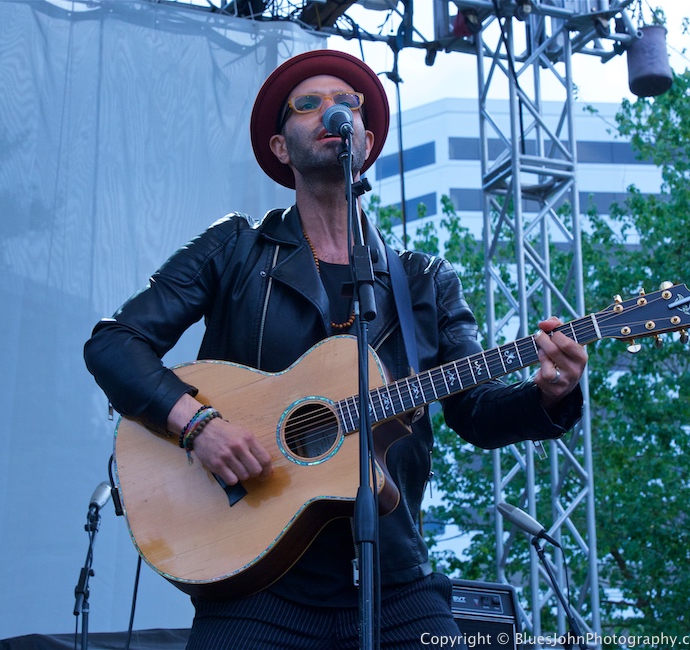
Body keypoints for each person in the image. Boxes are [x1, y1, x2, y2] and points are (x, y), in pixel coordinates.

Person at [84, 49, 588, 650]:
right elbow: (114, 344)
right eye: (310, 104)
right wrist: (200, 425)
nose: (333, 112)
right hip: (255, 582)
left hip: (397, 579)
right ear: (279, 147)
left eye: (346, 103)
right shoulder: (235, 250)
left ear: (366, 140)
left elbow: (473, 413)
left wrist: (549, 392)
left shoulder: (424, 280)